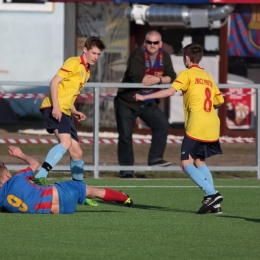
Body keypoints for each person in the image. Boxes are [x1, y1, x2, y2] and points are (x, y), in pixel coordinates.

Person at [134, 43, 224, 214]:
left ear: (187, 59)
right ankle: (215, 205)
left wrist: (144, 96)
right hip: (212, 123)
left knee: (185, 163)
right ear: (200, 59)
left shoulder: (186, 74)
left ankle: (212, 193)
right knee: (199, 161)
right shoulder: (207, 76)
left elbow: (169, 92)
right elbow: (219, 101)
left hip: (196, 125)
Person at [33, 36, 105, 206]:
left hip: (65, 111)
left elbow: (69, 93)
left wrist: (74, 111)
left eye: (99, 54)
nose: (95, 56)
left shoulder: (87, 71)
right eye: (93, 52)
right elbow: (54, 83)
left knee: (77, 153)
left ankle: (79, 192)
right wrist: (56, 107)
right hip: (53, 108)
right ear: (85, 50)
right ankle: (41, 174)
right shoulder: (74, 62)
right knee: (65, 143)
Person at [114, 30, 176, 178]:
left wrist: (158, 80)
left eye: (155, 42)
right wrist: (156, 79)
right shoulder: (137, 54)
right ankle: (126, 170)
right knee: (125, 137)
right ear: (144, 43)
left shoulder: (164, 56)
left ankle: (155, 159)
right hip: (127, 101)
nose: (152, 45)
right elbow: (137, 77)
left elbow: (172, 76)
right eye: (149, 42)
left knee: (162, 124)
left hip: (148, 101)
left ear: (160, 44)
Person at [0, 146, 133, 214]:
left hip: (58, 211)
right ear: (6, 174)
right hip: (61, 193)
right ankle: (123, 197)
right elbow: (35, 163)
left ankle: (82, 198)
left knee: (40, 190)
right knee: (95, 192)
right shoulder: (16, 178)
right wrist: (20, 154)